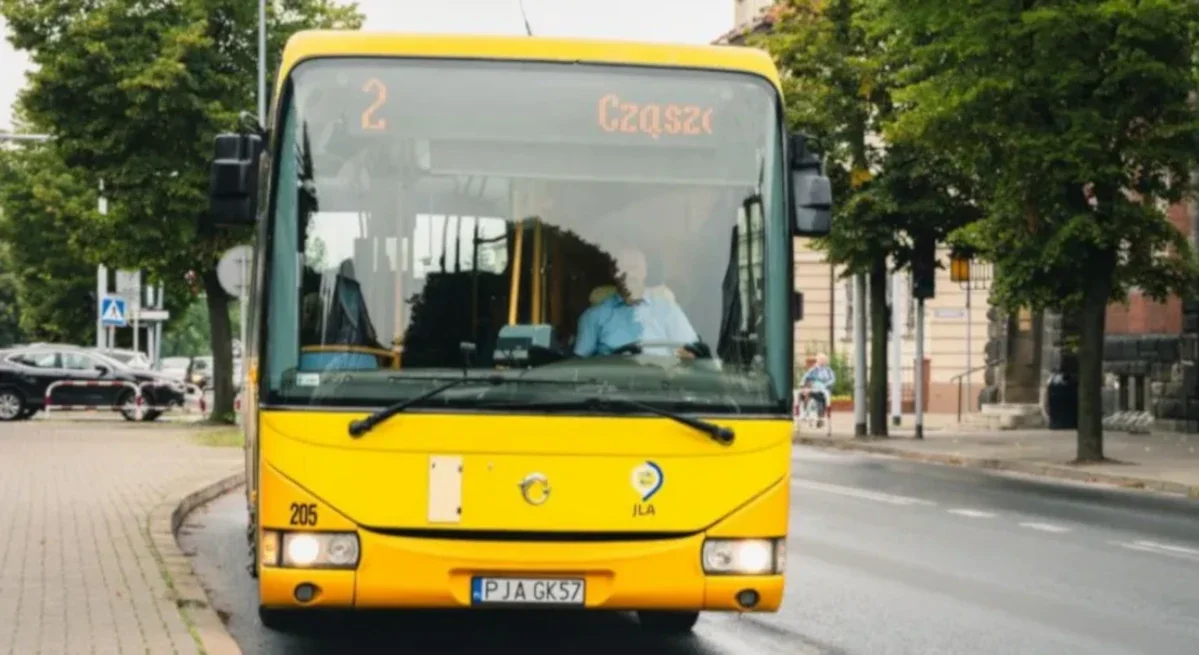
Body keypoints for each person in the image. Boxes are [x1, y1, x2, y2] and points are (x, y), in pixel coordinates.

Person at [573, 246, 700, 358]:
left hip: (659, 381)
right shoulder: (594, 316)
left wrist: (687, 356)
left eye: (635, 268)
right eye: (622, 269)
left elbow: (692, 353)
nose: (629, 275)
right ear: (613, 273)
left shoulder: (669, 311)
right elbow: (579, 366)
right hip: (611, 383)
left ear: (645, 272)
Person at [799, 353, 836, 426]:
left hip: (824, 389)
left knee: (822, 401)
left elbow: (832, 380)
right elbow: (805, 378)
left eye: (824, 360)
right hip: (814, 388)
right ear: (817, 361)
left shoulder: (828, 370)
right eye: (821, 360)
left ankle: (820, 418)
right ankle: (805, 413)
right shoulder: (813, 369)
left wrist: (825, 385)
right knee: (806, 393)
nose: (823, 361)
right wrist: (803, 384)